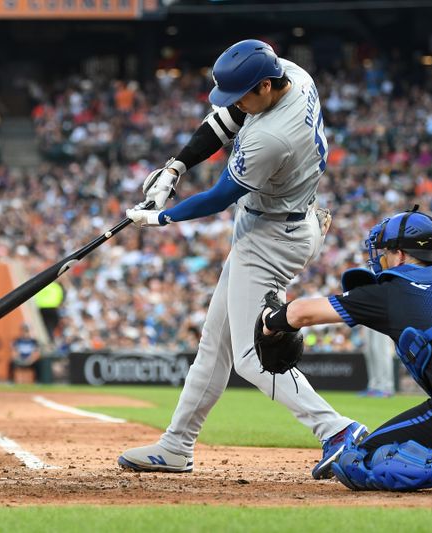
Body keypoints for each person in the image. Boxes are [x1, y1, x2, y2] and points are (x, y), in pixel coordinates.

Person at [118, 39, 366, 477]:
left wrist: (160, 217)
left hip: (272, 237)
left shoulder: (272, 138)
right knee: (214, 347)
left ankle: (338, 430)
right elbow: (225, 120)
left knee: (254, 356)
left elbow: (219, 198)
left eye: (244, 95)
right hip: (281, 221)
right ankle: (176, 445)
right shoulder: (293, 75)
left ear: (267, 86)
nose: (236, 104)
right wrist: (176, 166)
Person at [259, 208, 432, 493]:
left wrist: (269, 321)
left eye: (384, 252)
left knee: (355, 460)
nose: (381, 259)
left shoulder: (394, 290)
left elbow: (301, 313)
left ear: (399, 254)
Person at [359, 327, 395, 398]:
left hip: (383, 317)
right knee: (369, 351)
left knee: (381, 350)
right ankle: (373, 387)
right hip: (367, 318)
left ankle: (386, 388)